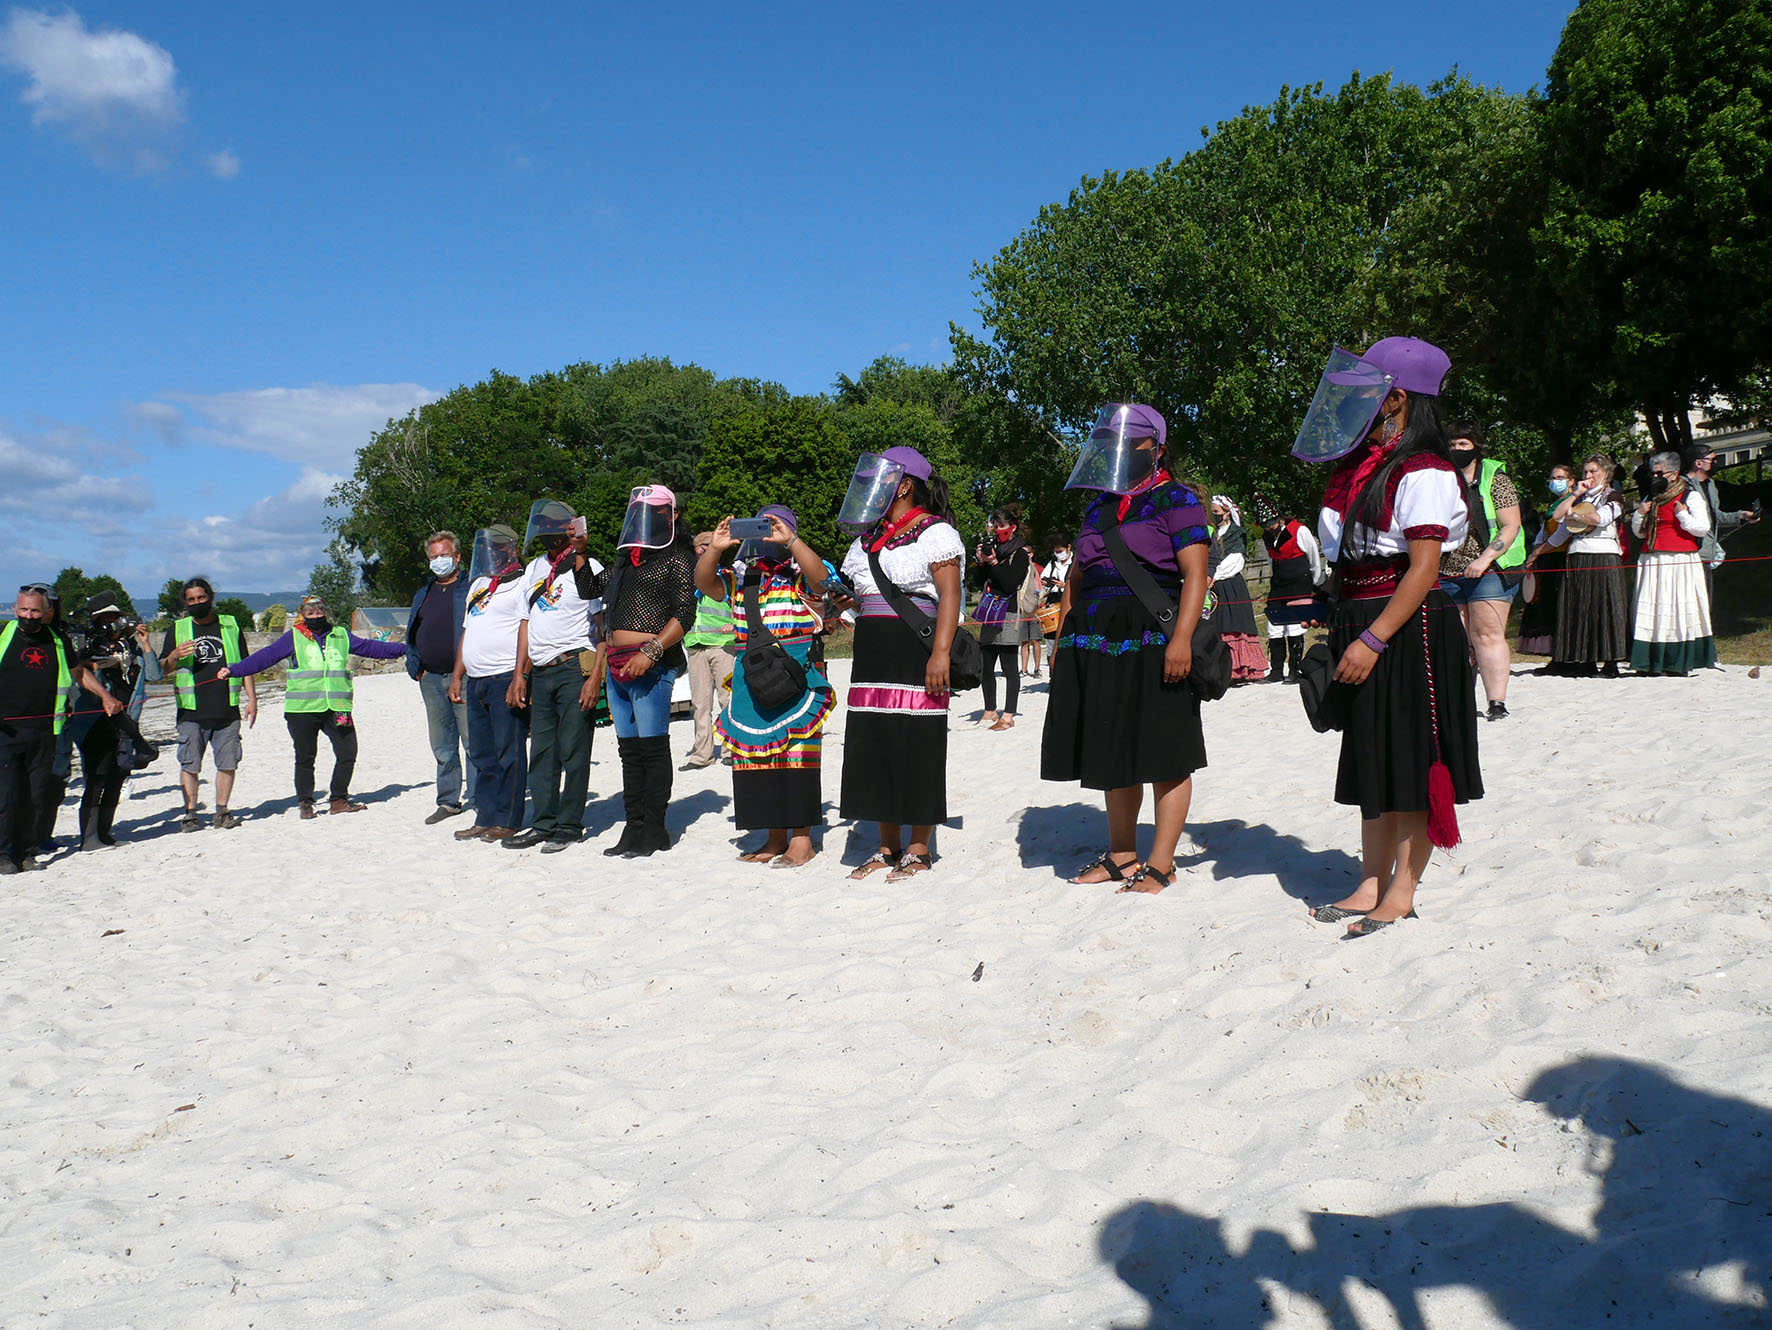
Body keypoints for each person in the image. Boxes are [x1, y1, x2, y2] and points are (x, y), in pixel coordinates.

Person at [1293, 337, 1482, 938]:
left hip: (1407, 627)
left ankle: (1402, 889)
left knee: (1409, 758)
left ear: (1396, 399)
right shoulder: (1361, 470)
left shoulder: (1424, 469)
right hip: (1363, 613)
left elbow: (1424, 568)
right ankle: (1370, 881)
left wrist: (1371, 640)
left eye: (1368, 395)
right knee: (1373, 756)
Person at [1040, 403, 1211, 894]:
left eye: (1128, 441)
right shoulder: (1097, 507)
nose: (1117, 450)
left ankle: (1161, 863)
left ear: (1153, 448)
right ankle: (1120, 855)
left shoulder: (1176, 498)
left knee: (1164, 748)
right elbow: (1077, 576)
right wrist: (1061, 641)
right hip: (1093, 636)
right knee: (1110, 744)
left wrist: (1181, 638)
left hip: (1153, 633)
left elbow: (1196, 574)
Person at [835, 446, 965, 881]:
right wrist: (843, 600)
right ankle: (886, 846)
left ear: (905, 484)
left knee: (919, 744)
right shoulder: (868, 540)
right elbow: (866, 597)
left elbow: (950, 595)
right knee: (874, 745)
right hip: (872, 654)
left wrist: (942, 653)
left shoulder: (936, 533)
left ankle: (918, 847)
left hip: (917, 651)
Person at [696, 506, 835, 867]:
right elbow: (704, 584)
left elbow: (821, 582)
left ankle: (802, 838)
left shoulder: (798, 574)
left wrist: (792, 542)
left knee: (796, 756)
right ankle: (773, 837)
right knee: (756, 758)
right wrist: (716, 547)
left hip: (796, 672)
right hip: (751, 674)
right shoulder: (740, 577)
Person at [221, 594, 407, 817]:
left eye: (319, 611)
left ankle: (338, 800)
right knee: (305, 757)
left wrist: (406, 649)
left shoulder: (340, 635)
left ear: (325, 612)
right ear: (303, 614)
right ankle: (305, 803)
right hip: (303, 709)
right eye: (310, 612)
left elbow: (372, 648)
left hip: (338, 707)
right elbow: (265, 657)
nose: (315, 615)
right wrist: (234, 670)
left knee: (348, 752)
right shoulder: (294, 637)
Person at [504, 499, 607, 852]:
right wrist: (520, 674)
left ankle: (569, 824)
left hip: (573, 667)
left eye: (556, 526)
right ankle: (543, 822)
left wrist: (595, 677)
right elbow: (525, 624)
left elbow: (602, 627)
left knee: (574, 749)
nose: (549, 533)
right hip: (541, 671)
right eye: (544, 526)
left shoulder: (589, 566)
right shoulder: (533, 569)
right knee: (543, 750)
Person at [601, 485, 696, 857]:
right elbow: (592, 587)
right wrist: (578, 553)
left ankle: (655, 828)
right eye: (640, 511)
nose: (645, 518)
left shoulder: (678, 557)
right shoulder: (627, 558)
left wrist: (652, 651)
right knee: (629, 750)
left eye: (654, 511)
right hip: (616, 663)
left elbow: (684, 614)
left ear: (672, 515)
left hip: (651, 663)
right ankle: (633, 825)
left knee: (652, 747)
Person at [2, 586, 121, 872]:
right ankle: (4, 854)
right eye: (23, 611)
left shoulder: (58, 641)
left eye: (34, 611)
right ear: (14, 610)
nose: (28, 616)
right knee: (5, 795)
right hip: (6, 732)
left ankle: (28, 852)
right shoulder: (4, 637)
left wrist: (105, 696)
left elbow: (78, 672)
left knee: (36, 795)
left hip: (45, 730)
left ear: (45, 613)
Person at [448, 525, 530, 842]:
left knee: (509, 751)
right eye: (487, 548)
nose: (491, 553)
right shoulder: (479, 584)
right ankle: (485, 815)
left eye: (496, 547)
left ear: (509, 548)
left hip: (504, 677)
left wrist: (519, 675)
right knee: (482, 753)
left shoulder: (523, 583)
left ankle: (508, 819)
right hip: (476, 678)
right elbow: (468, 631)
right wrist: (458, 673)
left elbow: (526, 629)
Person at [1437, 423, 1524, 720]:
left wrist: (1484, 560)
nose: (1457, 449)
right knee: (1455, 639)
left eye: (1463, 443)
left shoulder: (1495, 478)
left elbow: (1511, 525)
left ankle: (1496, 702)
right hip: (1446, 568)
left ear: (1475, 446)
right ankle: (1458, 699)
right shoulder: (1439, 478)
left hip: (1491, 567)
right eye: (1452, 444)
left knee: (1486, 634)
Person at [159, 578, 257, 831]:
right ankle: (190, 814)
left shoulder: (231, 624)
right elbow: (161, 670)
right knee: (189, 764)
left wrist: (252, 700)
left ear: (210, 597)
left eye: (200, 598)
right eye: (191, 600)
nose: (196, 603)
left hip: (227, 708)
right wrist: (173, 656)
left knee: (227, 763)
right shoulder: (177, 628)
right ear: (185, 602)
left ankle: (222, 812)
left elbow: (245, 666)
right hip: (191, 711)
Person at [70, 592, 156, 848]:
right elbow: (77, 670)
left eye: (115, 619)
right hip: (95, 721)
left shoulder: (128, 648)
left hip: (126, 720)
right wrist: (99, 663)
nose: (112, 625)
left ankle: (104, 834)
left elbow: (153, 674)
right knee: (96, 778)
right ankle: (89, 838)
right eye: (105, 620)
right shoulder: (88, 647)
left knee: (117, 777)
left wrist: (145, 644)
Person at [406, 531, 475, 823]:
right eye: (433, 557)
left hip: (466, 676)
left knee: (473, 742)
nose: (439, 561)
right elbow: (412, 631)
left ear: (457, 556)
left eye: (444, 555)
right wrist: (415, 664)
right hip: (431, 679)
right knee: (442, 745)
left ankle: (481, 798)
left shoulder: (471, 587)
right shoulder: (424, 593)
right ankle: (448, 801)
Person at [1629, 451, 1715, 676]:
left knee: (1676, 609)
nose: (1655, 477)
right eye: (1653, 473)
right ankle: (1649, 662)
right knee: (1653, 610)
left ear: (1674, 474)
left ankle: (1676, 662)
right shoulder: (1651, 497)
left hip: (1678, 560)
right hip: (1652, 558)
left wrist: (1683, 515)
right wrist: (1639, 514)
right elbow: (1638, 533)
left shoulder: (1689, 496)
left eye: (1660, 473)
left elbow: (1702, 527)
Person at [1545, 454, 1629, 677]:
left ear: (1606, 473)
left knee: (1606, 608)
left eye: (1593, 471)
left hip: (1603, 555)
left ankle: (1610, 660)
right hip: (1578, 554)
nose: (1589, 476)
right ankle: (1585, 658)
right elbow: (1558, 517)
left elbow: (1600, 518)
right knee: (1580, 608)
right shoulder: (1579, 497)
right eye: (1585, 472)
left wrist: (1577, 516)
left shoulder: (1614, 496)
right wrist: (1576, 493)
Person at [680, 530, 738, 771]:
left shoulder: (727, 577)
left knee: (728, 700)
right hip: (695, 647)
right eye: (699, 547)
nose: (702, 550)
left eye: (707, 545)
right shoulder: (687, 579)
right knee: (700, 704)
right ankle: (701, 754)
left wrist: (734, 625)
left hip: (723, 646)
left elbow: (740, 606)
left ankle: (729, 750)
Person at [1254, 496, 1327, 682]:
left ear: (1279, 519)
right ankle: (1277, 671)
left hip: (1299, 583)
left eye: (1271, 524)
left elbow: (1313, 557)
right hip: (1279, 584)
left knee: (1294, 625)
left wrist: (1316, 582)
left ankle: (1294, 671)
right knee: (1275, 625)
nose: (1269, 529)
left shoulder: (1299, 530)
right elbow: (1271, 560)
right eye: (1265, 526)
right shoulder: (1268, 537)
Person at [973, 504, 1032, 730]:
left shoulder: (1019, 554)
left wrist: (995, 564)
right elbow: (978, 582)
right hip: (989, 610)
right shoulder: (992, 550)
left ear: (1012, 527)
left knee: (1008, 666)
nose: (997, 529)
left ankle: (1008, 714)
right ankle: (990, 710)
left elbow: (1009, 584)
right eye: (995, 525)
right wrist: (982, 562)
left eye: (1002, 525)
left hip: (1008, 610)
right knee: (986, 664)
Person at [1684, 443, 1761, 613]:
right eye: (1712, 459)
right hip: (1689, 553)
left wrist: (1741, 516)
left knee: (1705, 604)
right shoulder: (1683, 486)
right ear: (1698, 463)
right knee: (1690, 606)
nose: (1715, 463)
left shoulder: (1711, 485)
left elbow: (1714, 517)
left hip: (1706, 554)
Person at [1516, 463, 1574, 658]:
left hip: (1560, 557)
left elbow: (1561, 535)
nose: (1555, 482)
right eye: (1553, 478)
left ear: (1571, 481)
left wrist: (1537, 552)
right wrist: (1535, 552)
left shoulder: (1572, 502)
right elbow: (1543, 532)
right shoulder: (1554, 504)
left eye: (1560, 478)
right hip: (1547, 557)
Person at [1207, 496, 1267, 683]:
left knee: (1233, 624)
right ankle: (1222, 669)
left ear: (1227, 512)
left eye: (1216, 512)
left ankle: (1240, 669)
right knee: (1217, 625)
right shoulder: (1212, 534)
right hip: (1215, 585)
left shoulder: (1236, 533)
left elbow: (1236, 561)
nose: (1213, 515)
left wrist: (1214, 576)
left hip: (1230, 584)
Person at [1040, 530, 1073, 671]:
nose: (1058, 553)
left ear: (1068, 548)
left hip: (1069, 601)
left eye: (1060, 550)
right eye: (1056, 551)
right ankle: (1052, 675)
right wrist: (1047, 582)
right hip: (1053, 603)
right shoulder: (1052, 563)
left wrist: (1065, 585)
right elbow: (1044, 577)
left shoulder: (1075, 562)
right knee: (1051, 642)